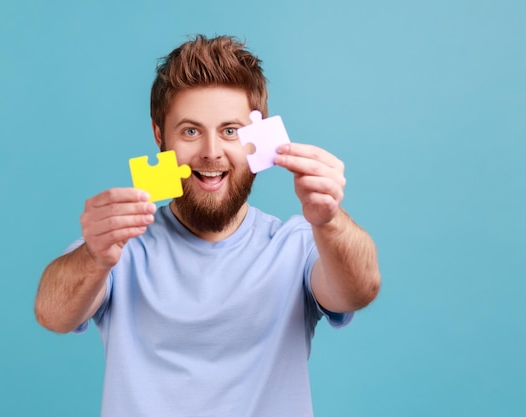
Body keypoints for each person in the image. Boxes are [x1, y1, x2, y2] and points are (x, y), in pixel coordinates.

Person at [35, 34, 380, 417]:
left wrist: (330, 222)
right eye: (190, 131)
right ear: (159, 137)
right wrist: (95, 258)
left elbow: (359, 290)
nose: (211, 152)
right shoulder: (121, 248)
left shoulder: (297, 245)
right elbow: (53, 313)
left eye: (230, 131)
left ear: (256, 137)